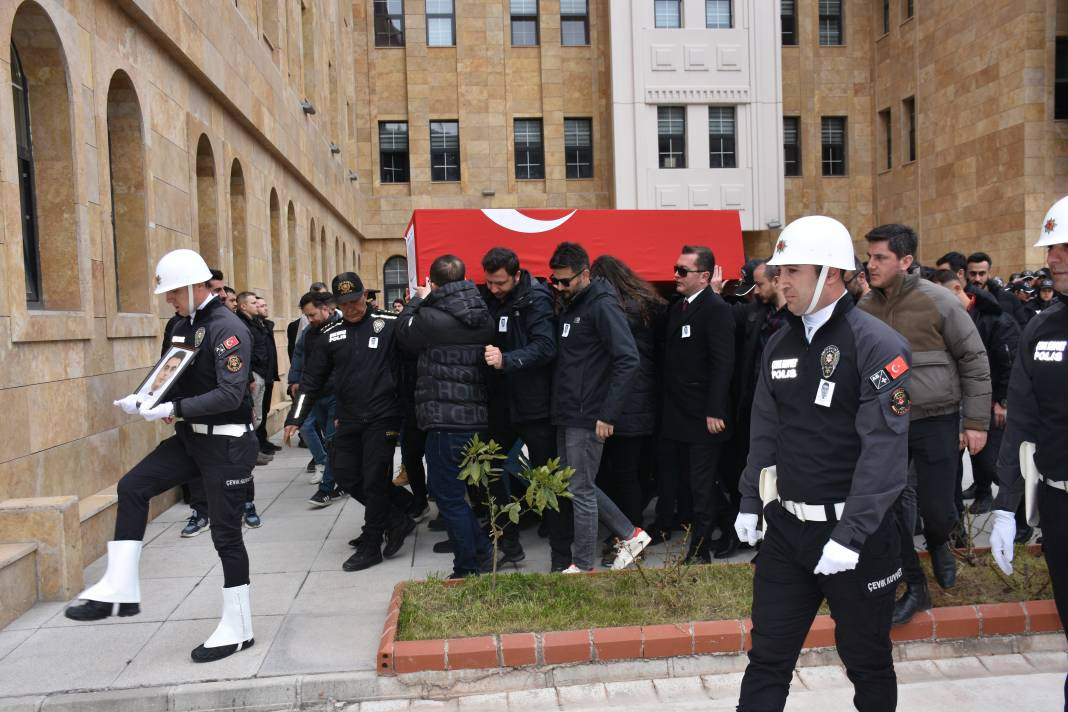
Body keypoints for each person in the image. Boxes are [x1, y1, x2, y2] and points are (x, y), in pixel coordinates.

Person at [735, 216, 911, 712]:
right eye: (779, 271)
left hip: (857, 537)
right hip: (788, 531)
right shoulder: (780, 342)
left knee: (867, 660)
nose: (781, 281)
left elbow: (884, 451)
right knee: (767, 658)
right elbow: (765, 431)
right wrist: (750, 500)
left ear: (831, 274)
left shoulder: (876, 343)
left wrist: (850, 535)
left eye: (793, 270)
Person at [65, 249, 258, 663]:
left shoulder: (229, 328)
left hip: (226, 444)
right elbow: (168, 371)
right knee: (133, 487)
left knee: (226, 536)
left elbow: (230, 394)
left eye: (173, 292)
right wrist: (143, 397)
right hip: (192, 440)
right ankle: (119, 587)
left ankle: (239, 628)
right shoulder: (181, 324)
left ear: (195, 286)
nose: (168, 300)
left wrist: (174, 408)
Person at [859, 224, 991, 624]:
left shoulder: (939, 301)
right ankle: (911, 579)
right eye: (869, 257)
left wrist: (976, 422)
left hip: (936, 420)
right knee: (889, 507)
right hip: (887, 424)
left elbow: (974, 359)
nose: (870, 264)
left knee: (937, 510)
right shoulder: (864, 307)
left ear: (905, 261)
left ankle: (938, 544)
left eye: (880, 257)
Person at [989, 197, 1068, 708]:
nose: (1052, 258)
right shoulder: (1042, 328)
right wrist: (1005, 505)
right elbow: (1022, 420)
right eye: (1051, 248)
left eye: (1064, 248)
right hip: (1060, 504)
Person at [285, 273, 417, 571]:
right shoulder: (329, 334)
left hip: (384, 414)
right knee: (345, 475)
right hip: (348, 417)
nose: (351, 308)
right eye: (344, 304)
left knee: (374, 478)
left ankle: (372, 542)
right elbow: (311, 380)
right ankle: (396, 517)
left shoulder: (389, 323)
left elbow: (415, 356)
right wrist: (296, 416)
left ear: (365, 295)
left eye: (355, 301)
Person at [548, 242, 650, 572]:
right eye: (554, 280)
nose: (559, 286)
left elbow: (628, 359)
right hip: (568, 410)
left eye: (565, 281)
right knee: (577, 485)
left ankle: (583, 566)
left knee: (580, 490)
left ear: (585, 274)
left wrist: (608, 413)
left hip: (589, 413)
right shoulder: (574, 303)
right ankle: (631, 535)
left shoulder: (602, 305)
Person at [396, 255, 496, 578]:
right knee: (458, 493)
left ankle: (466, 567)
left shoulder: (430, 316)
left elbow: (402, 332)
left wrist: (418, 299)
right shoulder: (483, 313)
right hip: (475, 417)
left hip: (444, 419)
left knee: (447, 495)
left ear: (433, 283)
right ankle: (482, 551)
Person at [479, 247, 564, 570]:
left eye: (500, 283)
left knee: (547, 481)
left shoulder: (536, 299)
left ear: (516, 276)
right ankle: (507, 543)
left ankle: (561, 556)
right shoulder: (490, 298)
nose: (494, 289)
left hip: (534, 405)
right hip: (501, 403)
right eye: (489, 282)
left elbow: (546, 346)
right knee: (488, 469)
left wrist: (507, 360)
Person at [661, 246, 735, 563]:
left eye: (683, 271)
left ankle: (700, 551)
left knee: (702, 485)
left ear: (704, 276)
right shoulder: (679, 307)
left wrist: (715, 409)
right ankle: (728, 526)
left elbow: (723, 363)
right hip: (679, 413)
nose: (676, 275)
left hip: (704, 415)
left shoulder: (716, 309)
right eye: (676, 268)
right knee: (693, 481)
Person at [590, 255, 666, 561]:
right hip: (643, 399)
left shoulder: (615, 310)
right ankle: (629, 531)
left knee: (621, 474)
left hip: (622, 402)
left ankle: (628, 535)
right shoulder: (645, 304)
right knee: (630, 472)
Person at [929, 270, 1021, 520]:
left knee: (991, 463)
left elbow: (1007, 362)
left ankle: (1018, 514)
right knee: (953, 464)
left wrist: (1002, 401)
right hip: (955, 403)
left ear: (957, 289)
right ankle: (957, 520)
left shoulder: (994, 319)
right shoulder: (945, 318)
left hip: (987, 402)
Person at [290, 291, 343, 506]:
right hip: (317, 395)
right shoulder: (309, 333)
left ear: (326, 308)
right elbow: (300, 356)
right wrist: (295, 379)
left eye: (312, 314)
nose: (310, 319)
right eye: (307, 316)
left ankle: (326, 488)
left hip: (337, 395)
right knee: (327, 439)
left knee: (332, 440)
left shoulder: (342, 328)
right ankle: (342, 479)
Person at [236, 292, 272, 467]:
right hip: (254, 374)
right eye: (253, 303)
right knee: (252, 416)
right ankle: (250, 453)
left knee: (257, 416)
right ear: (243, 306)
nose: (257, 306)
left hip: (262, 373)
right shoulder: (241, 324)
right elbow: (245, 355)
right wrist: (250, 377)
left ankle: (254, 449)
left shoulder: (255, 323)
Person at [967, 251, 1029, 326]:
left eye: (982, 273)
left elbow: (1022, 326)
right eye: (973, 274)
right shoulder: (961, 299)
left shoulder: (1009, 298)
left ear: (989, 273)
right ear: (967, 274)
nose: (977, 279)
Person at [255, 296, 280, 457]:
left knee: (265, 409)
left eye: (265, 305)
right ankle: (258, 444)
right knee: (257, 411)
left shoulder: (266, 325)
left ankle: (263, 440)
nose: (266, 308)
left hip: (269, 374)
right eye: (261, 305)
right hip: (259, 374)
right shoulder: (253, 327)